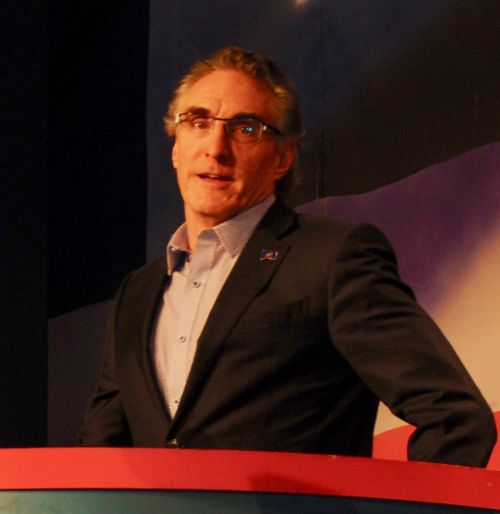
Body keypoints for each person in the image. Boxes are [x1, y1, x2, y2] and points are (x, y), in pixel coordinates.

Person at [78, 46, 496, 466]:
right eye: (198, 122)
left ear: (283, 157)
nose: (215, 148)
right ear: (175, 146)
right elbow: (98, 453)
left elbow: (455, 419)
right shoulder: (138, 291)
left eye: (244, 129)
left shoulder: (332, 259)